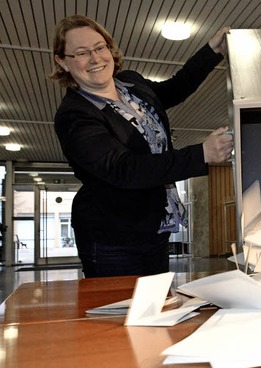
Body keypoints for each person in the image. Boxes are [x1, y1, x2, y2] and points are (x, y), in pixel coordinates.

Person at [50, 15, 234, 277]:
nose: (95, 58)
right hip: (112, 238)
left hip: (153, 227)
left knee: (152, 309)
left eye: (100, 47)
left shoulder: (131, 83)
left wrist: (211, 50)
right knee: (119, 314)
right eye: (81, 53)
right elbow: (124, 168)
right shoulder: (74, 115)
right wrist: (201, 153)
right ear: (62, 62)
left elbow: (174, 89)